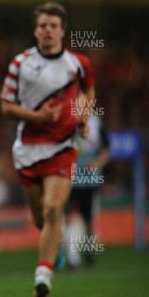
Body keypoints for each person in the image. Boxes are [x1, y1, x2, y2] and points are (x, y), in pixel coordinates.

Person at [0, 2, 95, 297]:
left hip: (63, 146)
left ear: (63, 31)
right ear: (35, 30)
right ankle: (56, 249)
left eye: (53, 25)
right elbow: (7, 106)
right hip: (28, 148)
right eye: (43, 25)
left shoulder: (78, 63)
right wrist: (38, 117)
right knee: (41, 218)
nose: (48, 30)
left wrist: (83, 115)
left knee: (54, 208)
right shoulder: (20, 63)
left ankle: (43, 274)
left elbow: (88, 91)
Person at [64, 115, 109, 268]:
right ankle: (73, 260)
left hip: (90, 181)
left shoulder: (97, 123)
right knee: (69, 218)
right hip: (70, 181)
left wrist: (96, 164)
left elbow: (107, 149)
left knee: (89, 220)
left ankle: (89, 253)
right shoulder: (67, 121)